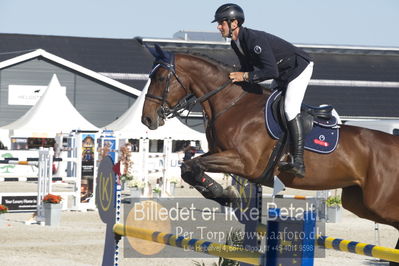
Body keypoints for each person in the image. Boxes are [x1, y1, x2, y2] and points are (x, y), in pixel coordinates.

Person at [212, 3, 314, 177]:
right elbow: (248, 69)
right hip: (282, 74)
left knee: (290, 109)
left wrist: (244, 77)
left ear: (234, 23)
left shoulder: (254, 40)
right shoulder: (236, 43)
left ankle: (298, 162)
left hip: (298, 68)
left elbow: (269, 72)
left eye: (222, 23)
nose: (218, 26)